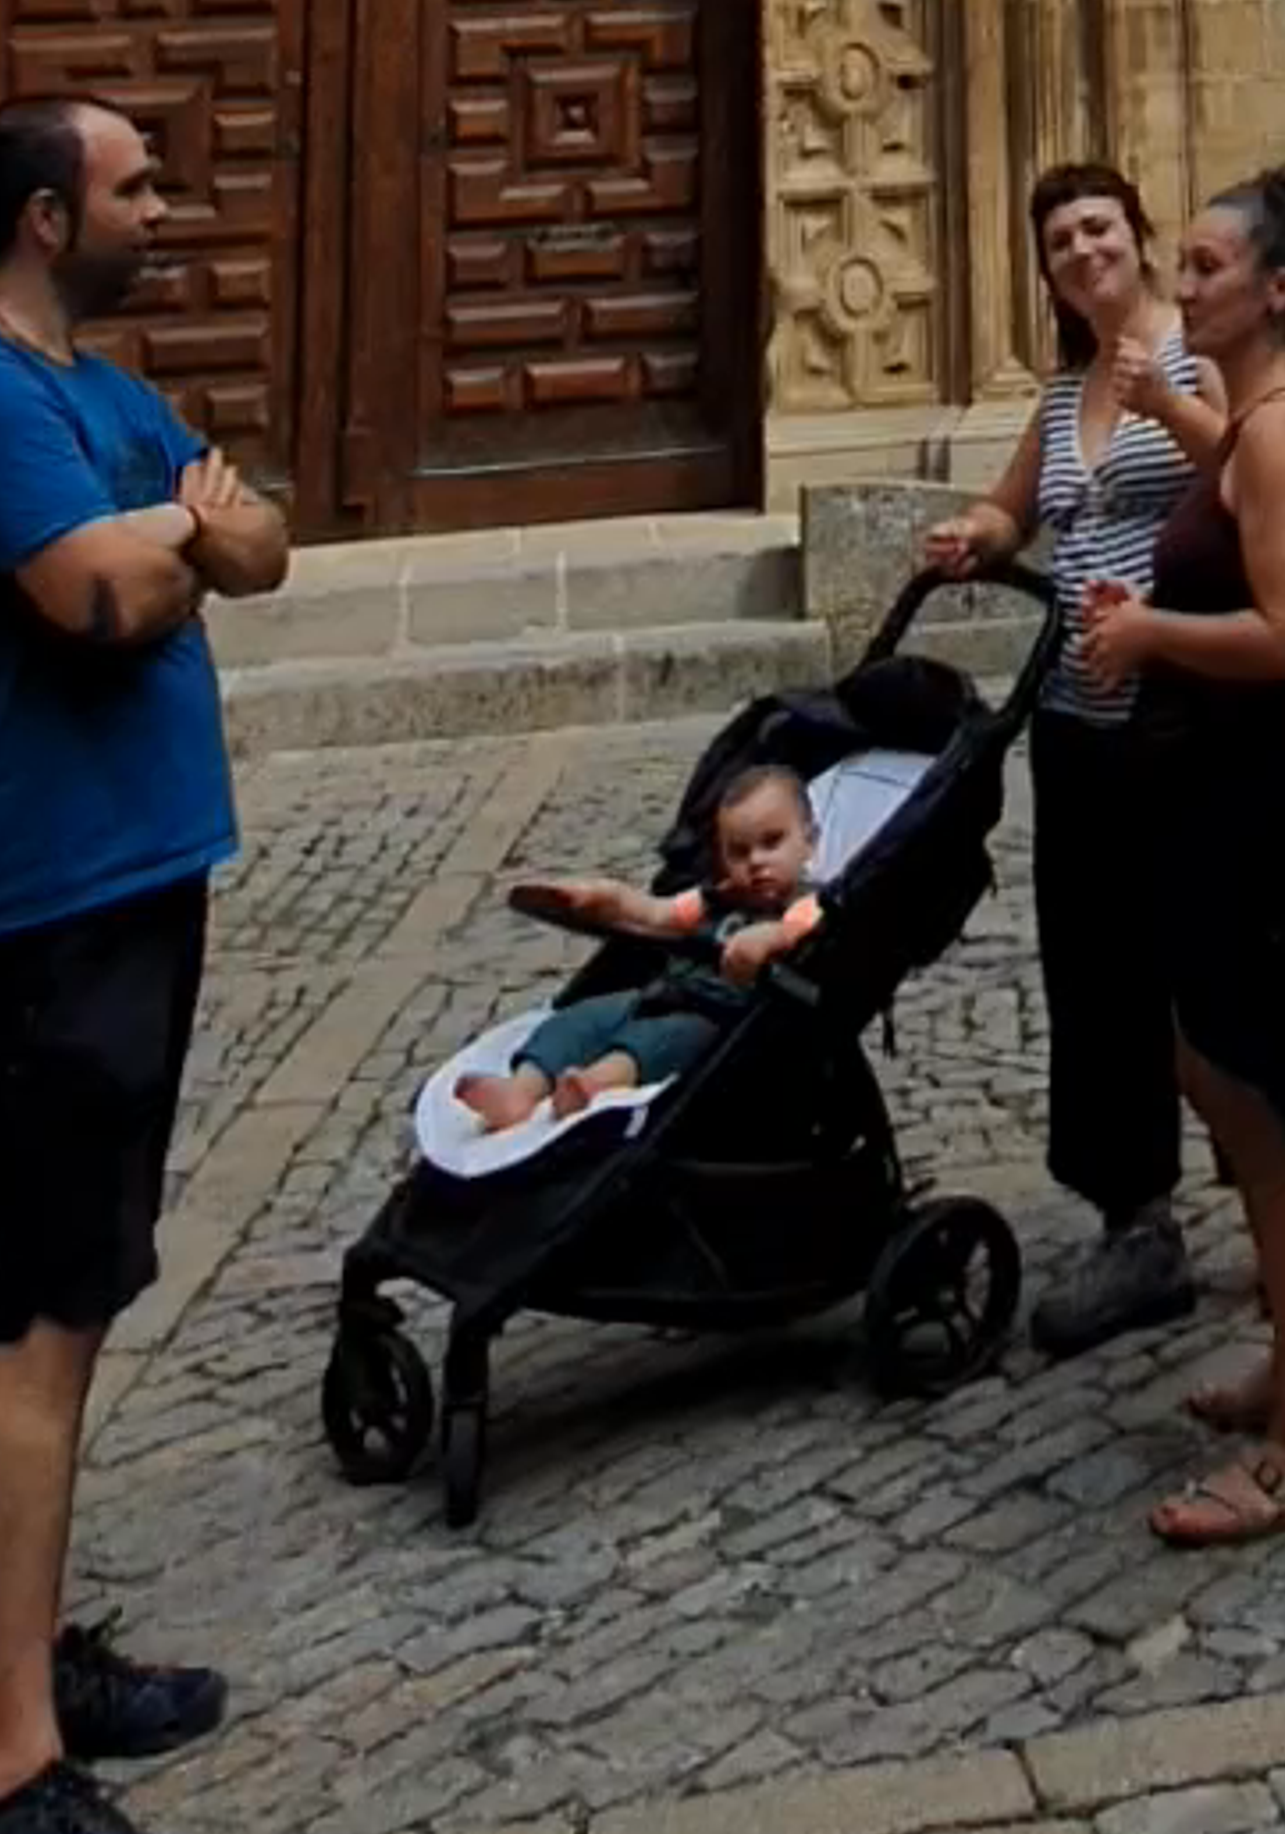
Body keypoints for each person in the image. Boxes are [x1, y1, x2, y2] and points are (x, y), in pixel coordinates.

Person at [0, 95, 291, 1834]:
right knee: (41, 1310)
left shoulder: (107, 392)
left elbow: (258, 537)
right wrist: (170, 545)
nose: (164, 204)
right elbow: (100, 592)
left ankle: (19, 1658)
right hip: (37, 899)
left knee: (87, 1278)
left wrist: (188, 538)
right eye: (137, 184)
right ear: (49, 214)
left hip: (130, 885)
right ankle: (7, 1777)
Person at [1070, 149, 1285, 1547]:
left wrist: (1149, 631)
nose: (1182, 281)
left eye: (1206, 266)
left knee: (1278, 1123)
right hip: (1222, 803)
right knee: (1237, 1083)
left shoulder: (1283, 428)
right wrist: (1168, 402)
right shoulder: (1253, 419)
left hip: (1268, 811)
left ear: (1276, 289)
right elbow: (1240, 473)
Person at [915, 161, 1226, 1356]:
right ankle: (1136, 1220)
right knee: (1096, 973)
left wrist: (1172, 407)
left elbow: (1261, 481)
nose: (1084, 251)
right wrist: (975, 533)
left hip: (1187, 706)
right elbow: (1020, 509)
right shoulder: (1063, 393)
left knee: (1213, 955)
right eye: (1060, 241)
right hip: (1078, 719)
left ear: (1140, 237)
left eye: (1100, 226)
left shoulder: (1198, 359)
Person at [454, 755, 829, 1125]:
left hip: (715, 1019)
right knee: (584, 1018)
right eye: (739, 851)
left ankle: (592, 1086)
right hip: (661, 994)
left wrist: (768, 936)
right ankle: (520, 1090)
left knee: (654, 1042)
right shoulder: (717, 897)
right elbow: (656, 915)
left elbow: (802, 927)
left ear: (809, 841)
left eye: (772, 842)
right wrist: (605, 898)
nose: (756, 861)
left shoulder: (805, 904)